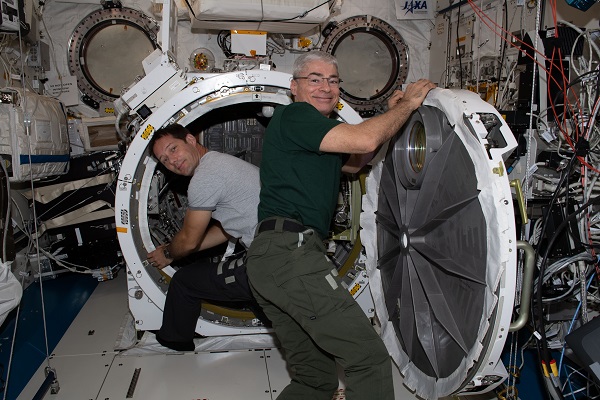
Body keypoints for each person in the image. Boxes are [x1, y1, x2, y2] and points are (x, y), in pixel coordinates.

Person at [245, 50, 436, 399]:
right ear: (294, 88)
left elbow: (361, 158)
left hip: (269, 261)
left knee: (314, 380)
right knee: (368, 358)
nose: (325, 87)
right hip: (292, 253)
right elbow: (365, 139)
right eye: (314, 79)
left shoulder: (318, 135)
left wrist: (392, 115)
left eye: (333, 81)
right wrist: (406, 106)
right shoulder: (296, 116)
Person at [146, 123, 268, 351]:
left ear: (191, 140)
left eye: (173, 149)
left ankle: (173, 341)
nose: (172, 161)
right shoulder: (220, 162)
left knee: (184, 282)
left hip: (266, 262)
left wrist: (168, 253)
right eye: (164, 160)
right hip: (278, 251)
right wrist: (179, 251)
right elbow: (227, 230)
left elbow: (189, 240)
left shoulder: (205, 177)